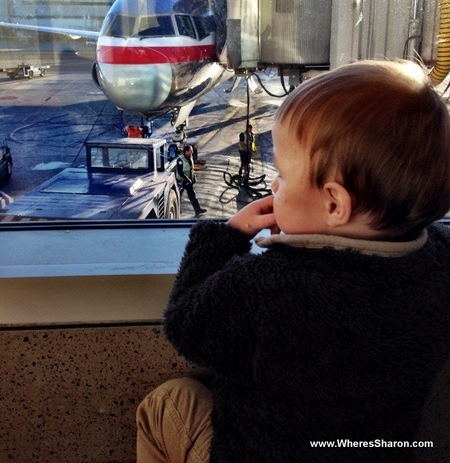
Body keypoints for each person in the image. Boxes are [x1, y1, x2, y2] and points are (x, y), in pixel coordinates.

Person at [137, 60, 450, 463]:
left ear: (334, 203)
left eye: (283, 175)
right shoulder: (439, 266)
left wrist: (223, 240)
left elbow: (185, 326)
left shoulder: (267, 286)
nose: (273, 183)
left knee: (168, 402)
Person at [175, 144, 206, 217]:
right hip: (181, 181)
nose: (192, 152)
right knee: (178, 196)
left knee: (193, 195)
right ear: (186, 151)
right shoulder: (180, 159)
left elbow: (191, 169)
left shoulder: (190, 157)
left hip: (188, 180)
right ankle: (177, 211)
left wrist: (193, 177)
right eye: (191, 151)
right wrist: (187, 178)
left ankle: (198, 210)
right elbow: (180, 171)